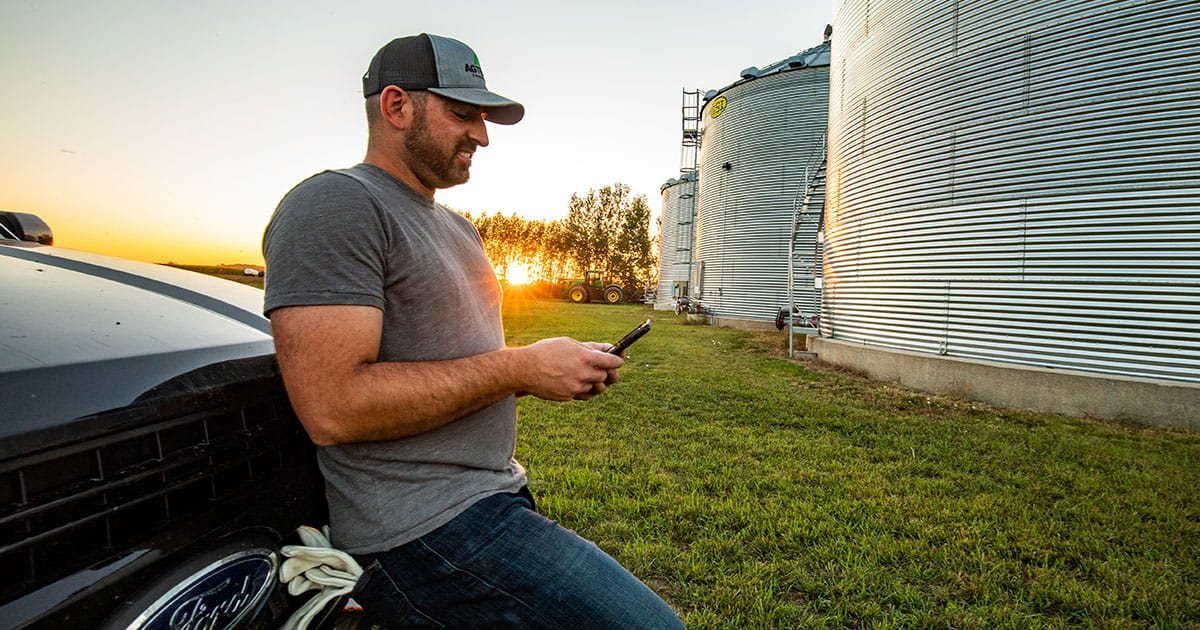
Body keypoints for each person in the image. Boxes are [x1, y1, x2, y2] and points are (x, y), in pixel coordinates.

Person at [262, 33, 686, 629]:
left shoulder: (458, 228)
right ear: (395, 106)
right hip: (419, 531)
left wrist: (546, 369)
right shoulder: (336, 204)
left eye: (483, 118)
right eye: (462, 114)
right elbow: (334, 407)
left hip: (492, 500)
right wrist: (520, 368)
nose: (482, 136)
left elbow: (461, 362)